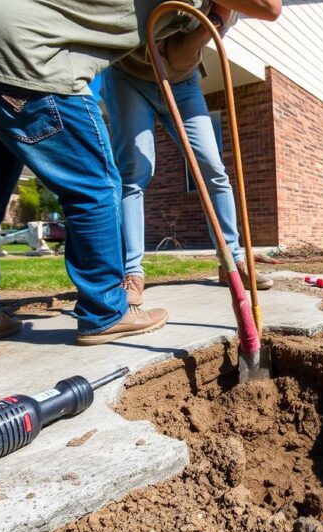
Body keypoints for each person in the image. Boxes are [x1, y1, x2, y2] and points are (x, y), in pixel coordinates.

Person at [0, 0, 223, 353]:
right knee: (93, 185)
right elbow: (269, 7)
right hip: (23, 47)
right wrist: (220, 13)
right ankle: (106, 312)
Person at [103, 0, 280, 306]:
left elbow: (179, 55)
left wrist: (216, 18)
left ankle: (231, 262)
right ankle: (132, 272)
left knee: (213, 168)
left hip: (182, 82)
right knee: (134, 172)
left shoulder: (229, 7)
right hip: (127, 76)